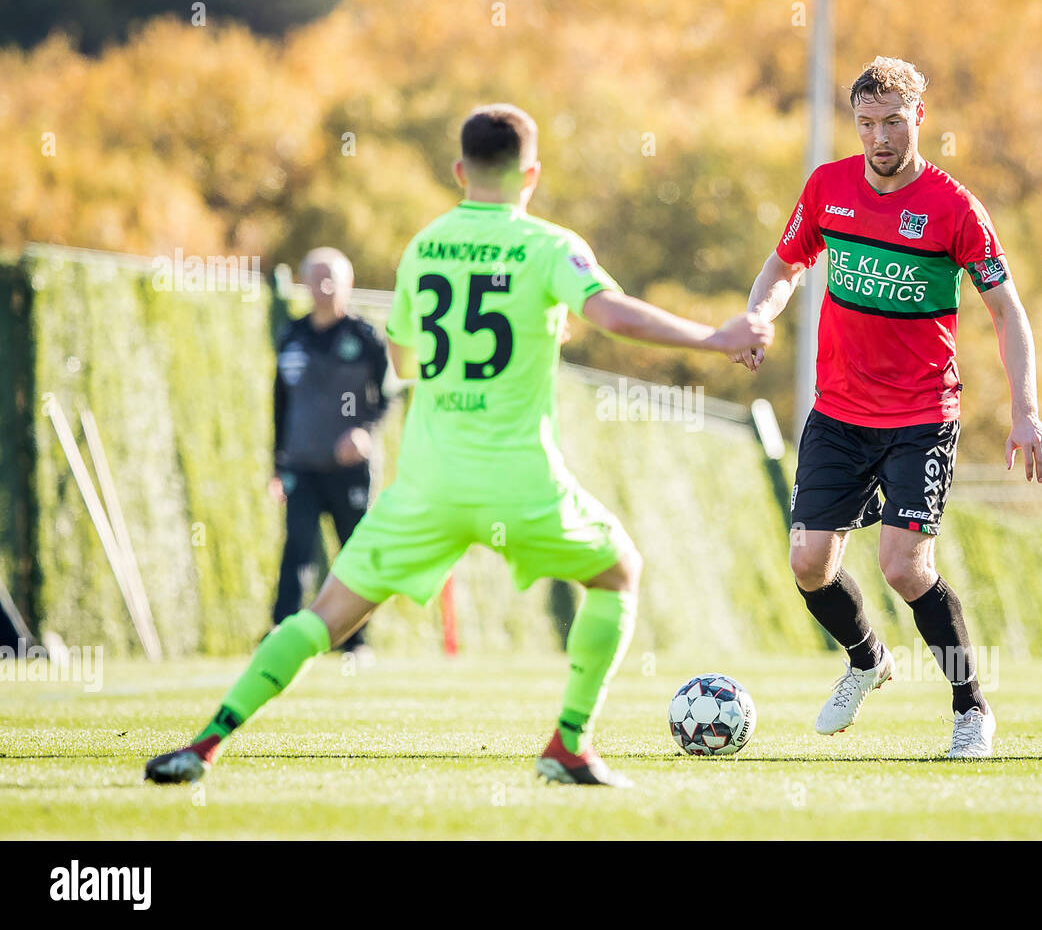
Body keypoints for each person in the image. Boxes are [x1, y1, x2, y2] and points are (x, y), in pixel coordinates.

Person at [145, 103, 773, 788]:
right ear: (531, 172)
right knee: (618, 571)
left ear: (458, 170)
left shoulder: (425, 246)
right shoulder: (548, 244)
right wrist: (714, 337)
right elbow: (610, 313)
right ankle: (569, 742)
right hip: (519, 481)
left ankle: (208, 741)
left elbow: (405, 357)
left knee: (323, 615)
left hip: (427, 483)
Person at [735, 56, 1042, 758]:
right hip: (839, 412)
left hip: (920, 415)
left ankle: (971, 711)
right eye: (867, 123)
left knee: (905, 566)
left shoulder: (954, 208)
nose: (879, 137)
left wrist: (1025, 410)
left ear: (919, 119)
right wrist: (758, 316)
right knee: (809, 564)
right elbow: (784, 264)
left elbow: (1007, 313)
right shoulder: (828, 188)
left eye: (892, 122)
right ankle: (868, 659)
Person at [270, 247, 389, 655]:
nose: (322, 287)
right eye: (315, 278)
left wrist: (364, 431)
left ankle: (354, 642)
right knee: (297, 550)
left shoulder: (365, 338)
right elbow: (280, 402)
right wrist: (277, 462)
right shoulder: (292, 336)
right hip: (302, 465)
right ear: (303, 283)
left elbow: (385, 399)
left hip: (350, 470)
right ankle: (280, 634)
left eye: (330, 278)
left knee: (353, 555)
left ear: (347, 283)